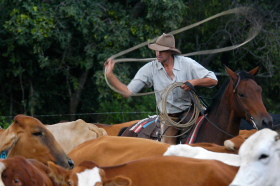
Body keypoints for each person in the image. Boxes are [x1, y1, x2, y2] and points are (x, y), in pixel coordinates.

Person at [105, 33, 218, 144]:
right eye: (156, 50)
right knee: (167, 146)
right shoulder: (150, 69)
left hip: (192, 111)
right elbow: (127, 92)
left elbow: (213, 80)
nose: (158, 53)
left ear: (170, 51)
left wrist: (194, 82)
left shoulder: (187, 63)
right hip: (170, 117)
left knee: (215, 128)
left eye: (162, 50)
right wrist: (110, 75)